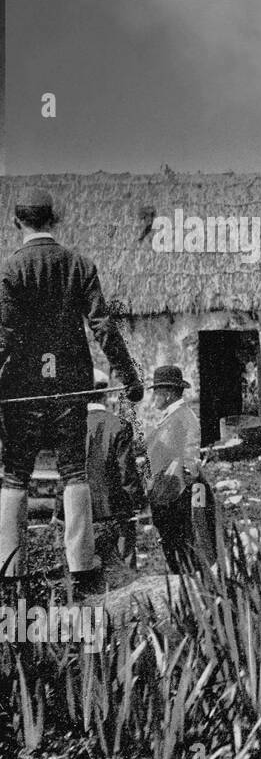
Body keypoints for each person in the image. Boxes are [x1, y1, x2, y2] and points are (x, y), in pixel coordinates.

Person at [0, 188, 145, 588]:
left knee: (14, 475)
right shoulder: (80, 265)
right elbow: (103, 326)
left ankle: (11, 572)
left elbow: (4, 338)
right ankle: (81, 566)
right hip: (70, 384)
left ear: (17, 222)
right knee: (73, 471)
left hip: (21, 387)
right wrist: (129, 376)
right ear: (55, 219)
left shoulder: (10, 271)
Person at [143, 365, 214, 574]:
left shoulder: (184, 417)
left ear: (168, 393)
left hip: (178, 494)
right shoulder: (170, 417)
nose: (154, 396)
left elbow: (191, 460)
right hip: (167, 492)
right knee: (172, 542)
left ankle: (189, 583)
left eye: (156, 391)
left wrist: (185, 494)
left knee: (183, 543)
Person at [86, 369, 143, 567]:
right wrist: (137, 503)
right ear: (105, 394)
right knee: (125, 566)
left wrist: (59, 512)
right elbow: (126, 471)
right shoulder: (119, 425)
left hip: (83, 508)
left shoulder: (72, 427)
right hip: (117, 508)